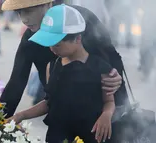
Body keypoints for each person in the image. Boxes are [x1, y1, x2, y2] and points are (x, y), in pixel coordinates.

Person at [0, 0, 127, 118]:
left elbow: (110, 54)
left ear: (47, 4)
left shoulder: (79, 19)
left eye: (28, 11)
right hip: (62, 115)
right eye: (19, 12)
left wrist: (116, 76)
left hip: (98, 109)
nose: (24, 19)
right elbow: (16, 82)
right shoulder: (30, 39)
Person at [10, 5, 115, 143]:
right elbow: (50, 102)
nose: (52, 49)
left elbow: (109, 101)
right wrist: (20, 115)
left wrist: (106, 115)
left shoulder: (100, 68)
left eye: (57, 44)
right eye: (49, 44)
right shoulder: (52, 66)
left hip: (90, 134)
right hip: (58, 134)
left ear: (77, 39)